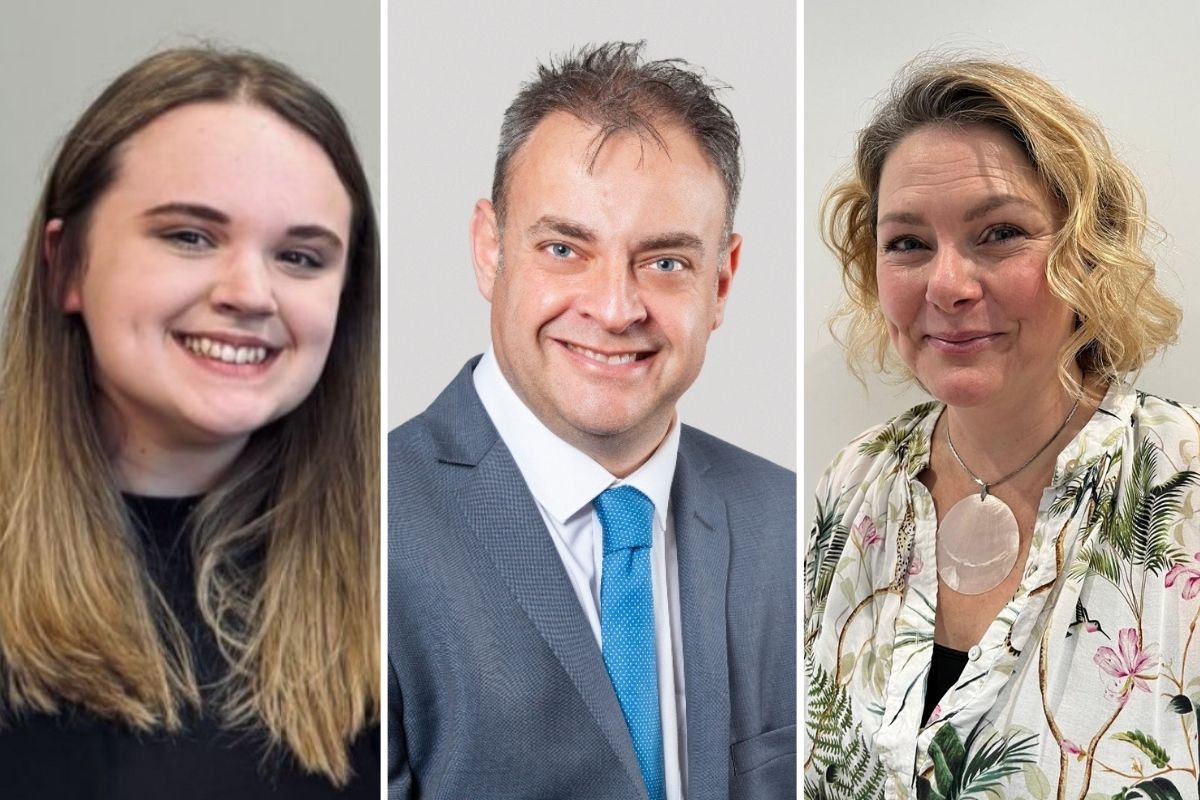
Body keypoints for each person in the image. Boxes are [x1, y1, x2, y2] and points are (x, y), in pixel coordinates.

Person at [388, 41, 795, 800]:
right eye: (564, 248)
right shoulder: (368, 521)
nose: (614, 309)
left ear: (723, 281)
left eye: (666, 262)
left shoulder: (792, 523)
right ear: (489, 248)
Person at [804, 58, 1199, 799]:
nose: (948, 285)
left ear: (1086, 253)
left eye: (999, 233)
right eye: (908, 244)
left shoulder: (1186, 484)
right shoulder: (856, 481)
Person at [0, 48, 379, 796]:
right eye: (189, 237)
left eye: (300, 257)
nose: (250, 293)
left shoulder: (403, 578)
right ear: (66, 265)